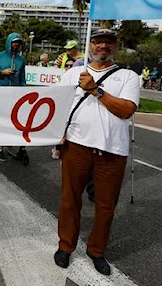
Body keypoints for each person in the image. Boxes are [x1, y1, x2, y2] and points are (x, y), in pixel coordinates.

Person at [54, 29, 139, 276]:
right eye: (98, 41)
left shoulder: (128, 76)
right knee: (69, 199)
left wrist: (95, 90)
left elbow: (126, 110)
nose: (103, 46)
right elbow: (59, 107)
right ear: (90, 45)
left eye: (109, 43)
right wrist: (56, 135)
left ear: (116, 46)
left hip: (112, 151)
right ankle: (65, 246)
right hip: (76, 145)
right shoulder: (71, 74)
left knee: (105, 206)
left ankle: (97, 250)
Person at [0, 32, 27, 161]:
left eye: (18, 42)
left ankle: (6, 143)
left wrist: (23, 92)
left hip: (14, 95)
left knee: (10, 121)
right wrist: (2, 72)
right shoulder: (0, 56)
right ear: (9, 43)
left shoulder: (21, 60)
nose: (16, 44)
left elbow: (22, 79)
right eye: (14, 42)